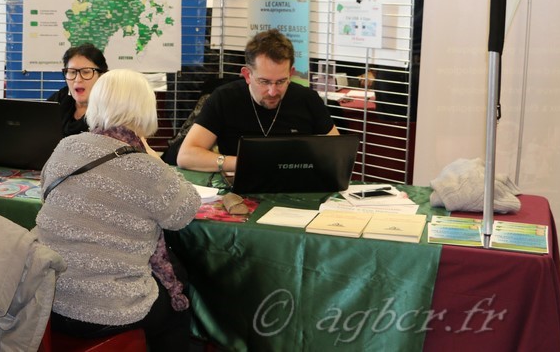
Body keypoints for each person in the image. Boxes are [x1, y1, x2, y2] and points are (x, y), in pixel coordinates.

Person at [36, 69, 201, 351]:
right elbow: (184, 211)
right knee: (177, 306)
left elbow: (44, 191)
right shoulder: (145, 167)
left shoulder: (66, 146)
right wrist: (151, 154)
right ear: (144, 110)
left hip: (48, 298)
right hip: (110, 309)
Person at [177, 29, 339, 173]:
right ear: (247, 75)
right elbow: (186, 155)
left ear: (291, 73)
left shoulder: (307, 99)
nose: (273, 91)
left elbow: (338, 154)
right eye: (264, 81)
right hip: (241, 186)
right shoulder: (225, 98)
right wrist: (243, 163)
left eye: (281, 81)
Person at [48, 43, 109, 136]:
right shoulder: (59, 99)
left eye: (86, 72)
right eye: (72, 72)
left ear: (101, 75)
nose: (78, 79)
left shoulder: (111, 110)